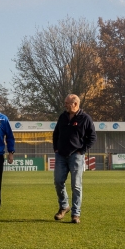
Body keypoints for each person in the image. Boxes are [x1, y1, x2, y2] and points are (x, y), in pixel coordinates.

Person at [53, 94, 96, 224]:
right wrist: (56, 147)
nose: (65, 105)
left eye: (67, 103)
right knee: (58, 181)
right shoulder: (62, 117)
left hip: (76, 156)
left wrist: (82, 150)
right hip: (61, 155)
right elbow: (56, 133)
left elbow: (92, 137)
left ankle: (75, 214)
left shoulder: (85, 118)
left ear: (75, 104)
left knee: (76, 185)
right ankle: (64, 206)